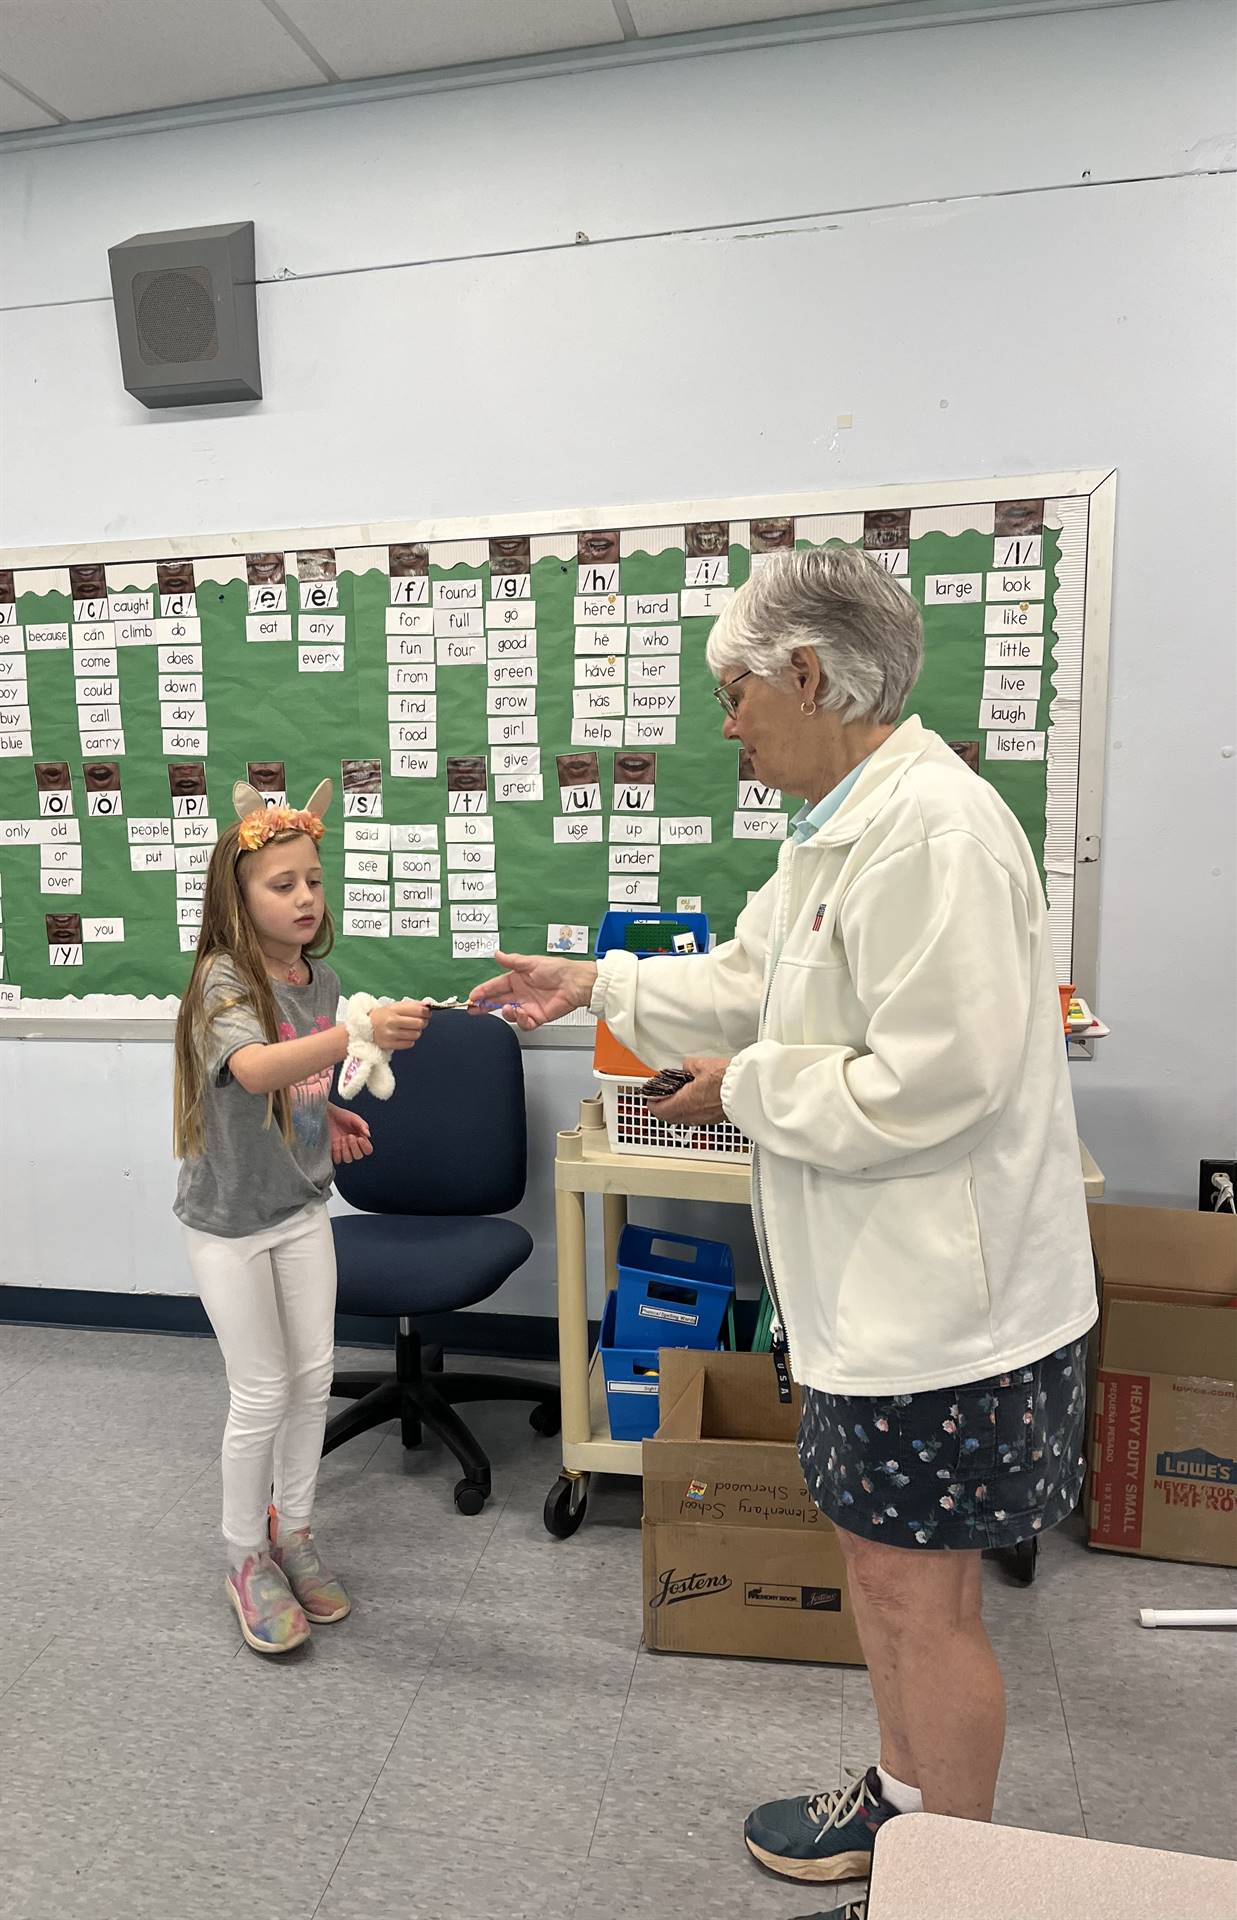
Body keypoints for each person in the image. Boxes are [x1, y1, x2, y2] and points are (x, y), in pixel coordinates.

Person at [469, 546, 1097, 1920]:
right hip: (871, 1301)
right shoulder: (837, 826)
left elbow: (931, 1083)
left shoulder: (933, 832)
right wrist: (594, 978)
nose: (727, 725)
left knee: (924, 1607)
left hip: (951, 1316)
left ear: (808, 675)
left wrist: (744, 1089)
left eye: (736, 693)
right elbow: (753, 977)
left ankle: (953, 1889)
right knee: (878, 1577)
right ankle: (900, 1805)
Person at [172, 777, 429, 1657]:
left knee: (314, 1378)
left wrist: (331, 1110)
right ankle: (244, 1555)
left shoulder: (321, 979)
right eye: (283, 885)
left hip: (300, 1206)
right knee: (261, 1390)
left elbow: (294, 1083)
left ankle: (296, 1534)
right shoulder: (221, 979)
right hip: (230, 1225)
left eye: (314, 881)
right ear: (238, 897)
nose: (306, 899)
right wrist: (357, 1038)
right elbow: (251, 1070)